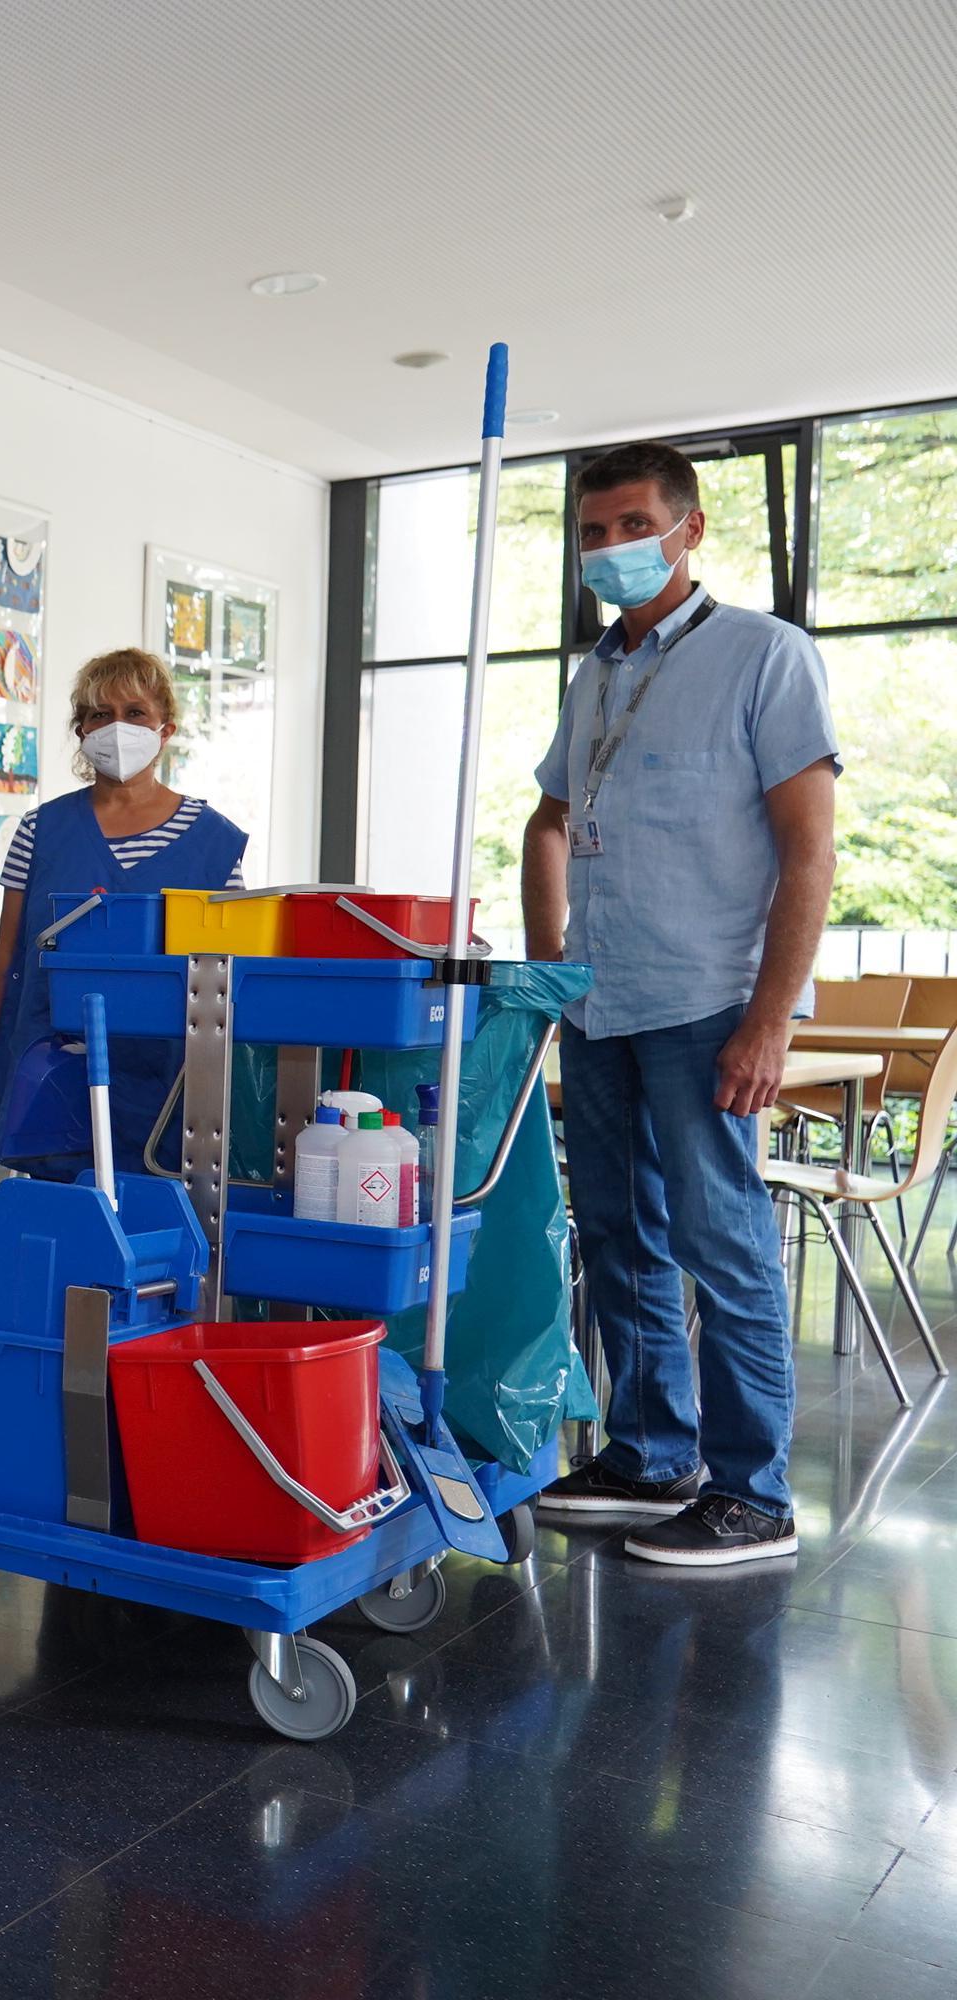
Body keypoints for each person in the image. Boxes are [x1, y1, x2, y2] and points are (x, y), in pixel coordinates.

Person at [528, 441, 838, 1567]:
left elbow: (808, 850)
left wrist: (769, 1016)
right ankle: (650, 1453)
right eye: (590, 531)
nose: (607, 548)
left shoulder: (763, 655)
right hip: (600, 1002)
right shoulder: (594, 673)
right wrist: (546, 967)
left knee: (720, 1237)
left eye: (627, 525)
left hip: (706, 1001)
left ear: (687, 528)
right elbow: (546, 821)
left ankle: (753, 1491)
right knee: (614, 1230)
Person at [0, 648, 246, 1173]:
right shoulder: (39, 832)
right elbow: (8, 953)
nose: (116, 727)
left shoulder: (212, 842)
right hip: (55, 1074)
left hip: (172, 1084)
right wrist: (14, 1053)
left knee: (158, 1223)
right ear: (80, 730)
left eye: (135, 713)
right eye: (100, 714)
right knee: (62, 1221)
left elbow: (230, 966)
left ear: (165, 729)